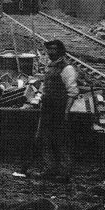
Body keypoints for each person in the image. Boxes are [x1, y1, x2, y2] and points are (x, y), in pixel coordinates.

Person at [35, 40, 79, 180]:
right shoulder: (50, 66)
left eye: (53, 49)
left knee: (60, 140)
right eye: (49, 49)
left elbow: (72, 92)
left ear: (60, 51)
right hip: (47, 108)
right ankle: (50, 168)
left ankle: (65, 172)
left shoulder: (67, 68)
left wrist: (66, 111)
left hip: (59, 109)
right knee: (45, 138)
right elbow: (46, 86)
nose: (50, 52)